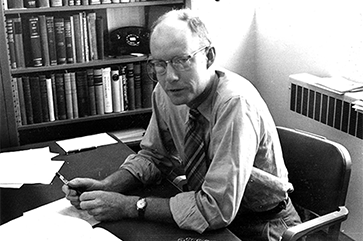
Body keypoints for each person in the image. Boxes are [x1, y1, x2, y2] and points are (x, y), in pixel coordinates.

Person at [62, 8, 301, 241]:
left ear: (209, 57)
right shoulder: (167, 93)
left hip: (263, 225)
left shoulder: (234, 103)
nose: (170, 77)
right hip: (211, 215)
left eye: (181, 60)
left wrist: (127, 205)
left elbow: (216, 209)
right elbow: (154, 156)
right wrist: (108, 185)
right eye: (160, 64)